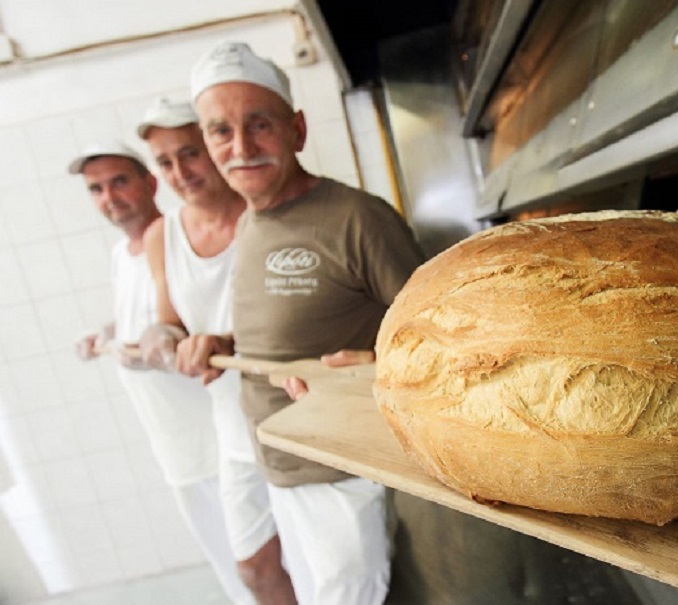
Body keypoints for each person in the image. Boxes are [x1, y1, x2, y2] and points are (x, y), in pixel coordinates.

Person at [179, 41, 428, 605]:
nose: (241, 147)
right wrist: (223, 342)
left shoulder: (357, 220)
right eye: (221, 131)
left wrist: (375, 364)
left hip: (341, 474)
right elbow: (292, 326)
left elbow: (441, 338)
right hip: (278, 459)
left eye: (259, 124)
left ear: (297, 130)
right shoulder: (251, 223)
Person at [69, 142, 256, 605]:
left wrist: (143, 351)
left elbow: (179, 328)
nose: (109, 197)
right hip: (170, 439)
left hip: (212, 431)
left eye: (119, 181)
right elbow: (140, 314)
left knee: (255, 559)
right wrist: (107, 334)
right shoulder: (121, 254)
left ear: (150, 183)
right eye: (96, 189)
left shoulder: (176, 241)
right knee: (225, 560)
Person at [134, 97, 297, 604]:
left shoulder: (267, 216)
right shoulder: (163, 235)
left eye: (190, 152)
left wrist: (226, 340)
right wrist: (161, 346)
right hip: (233, 425)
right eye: (165, 162)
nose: (180, 172)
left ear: (214, 145)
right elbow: (168, 323)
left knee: (319, 561)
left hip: (297, 416)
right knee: (253, 567)